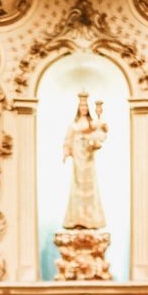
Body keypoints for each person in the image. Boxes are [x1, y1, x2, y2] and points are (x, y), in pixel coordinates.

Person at [62, 93, 107, 230]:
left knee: (90, 185)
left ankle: (91, 218)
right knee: (78, 186)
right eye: (81, 106)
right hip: (78, 157)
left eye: (85, 106)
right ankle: (77, 218)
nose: (83, 108)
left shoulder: (92, 124)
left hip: (88, 157)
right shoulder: (74, 125)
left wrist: (95, 143)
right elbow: (67, 140)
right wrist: (66, 153)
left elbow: (99, 135)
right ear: (78, 108)